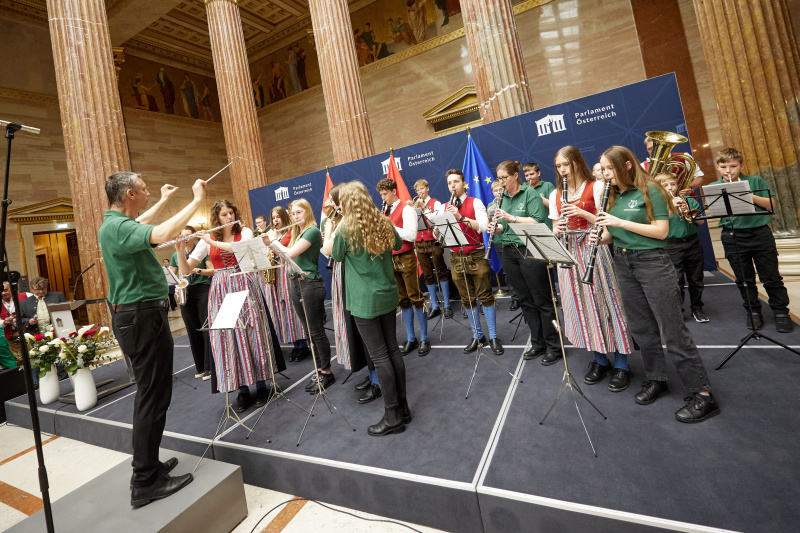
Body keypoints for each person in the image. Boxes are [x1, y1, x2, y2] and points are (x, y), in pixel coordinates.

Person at [593, 145, 719, 423]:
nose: (604, 174)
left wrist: (618, 223)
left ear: (626, 165)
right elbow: (610, 234)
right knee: (642, 328)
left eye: (608, 168)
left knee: (672, 329)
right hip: (623, 263)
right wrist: (600, 236)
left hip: (652, 262)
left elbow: (661, 232)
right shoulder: (611, 194)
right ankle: (656, 378)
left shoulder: (651, 190)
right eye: (602, 169)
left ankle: (703, 395)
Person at [98, 171, 202, 506]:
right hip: (140, 317)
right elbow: (159, 233)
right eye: (143, 190)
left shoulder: (115, 223)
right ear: (129, 193)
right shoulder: (116, 227)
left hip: (141, 316)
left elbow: (142, 222)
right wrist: (197, 200)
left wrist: (163, 200)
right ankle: (144, 480)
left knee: (155, 394)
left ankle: (150, 466)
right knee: (152, 397)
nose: (146, 193)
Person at [178, 200, 284, 412]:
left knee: (253, 333)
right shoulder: (209, 239)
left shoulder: (243, 231)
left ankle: (262, 384)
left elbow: (239, 248)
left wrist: (211, 241)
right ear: (216, 217)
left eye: (231, 213)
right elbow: (186, 269)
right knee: (229, 337)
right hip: (220, 289)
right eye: (224, 214)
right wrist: (180, 249)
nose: (229, 217)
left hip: (243, 283)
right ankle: (242, 389)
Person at [327, 181, 410, 436]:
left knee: (380, 356)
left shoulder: (346, 230)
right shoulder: (383, 221)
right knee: (393, 350)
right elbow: (397, 245)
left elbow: (335, 256)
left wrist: (333, 225)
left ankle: (393, 415)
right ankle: (403, 408)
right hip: (387, 295)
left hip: (365, 302)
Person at [549, 146, 633, 391]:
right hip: (569, 253)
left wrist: (583, 213)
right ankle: (599, 360)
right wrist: (558, 229)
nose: (562, 170)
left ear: (576, 162)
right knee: (580, 308)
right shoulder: (556, 193)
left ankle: (622, 364)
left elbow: (606, 222)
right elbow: (554, 228)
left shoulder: (595, 186)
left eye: (566, 164)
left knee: (607, 304)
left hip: (592, 248)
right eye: (558, 166)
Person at [711, 147, 792, 332]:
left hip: (759, 233)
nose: (728, 171)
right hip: (733, 235)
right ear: (718, 167)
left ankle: (781, 312)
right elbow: (714, 210)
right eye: (723, 167)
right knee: (744, 279)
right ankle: (753, 312)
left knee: (771, 277)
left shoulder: (754, 180)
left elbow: (770, 204)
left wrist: (746, 195)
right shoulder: (715, 187)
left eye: (733, 166)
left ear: (741, 165)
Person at [488, 161, 560, 363]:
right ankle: (537, 343)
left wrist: (510, 218)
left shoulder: (530, 193)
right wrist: (497, 228)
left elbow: (538, 220)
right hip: (508, 251)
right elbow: (504, 227)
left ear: (515, 175)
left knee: (542, 300)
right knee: (525, 300)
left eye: (504, 178)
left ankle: (555, 345)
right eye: (499, 178)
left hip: (530, 249)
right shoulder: (500, 198)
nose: (501, 182)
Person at [270, 199, 334, 394]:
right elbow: (285, 256)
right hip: (295, 283)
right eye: (294, 214)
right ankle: (319, 369)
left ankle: (327, 372)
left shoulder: (312, 231)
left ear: (307, 212)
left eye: (299, 212)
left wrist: (273, 240)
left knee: (316, 331)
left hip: (310, 284)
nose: (295, 216)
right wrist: (271, 244)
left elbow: (289, 253)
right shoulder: (297, 233)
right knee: (308, 332)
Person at [321, 185, 378, 404]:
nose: (330, 205)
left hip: (348, 273)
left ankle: (377, 380)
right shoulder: (340, 220)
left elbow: (329, 251)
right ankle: (372, 375)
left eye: (332, 201)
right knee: (355, 327)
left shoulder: (345, 222)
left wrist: (329, 227)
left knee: (363, 328)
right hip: (341, 273)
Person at [443, 170, 503, 355]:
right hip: (456, 257)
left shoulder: (475, 202)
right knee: (466, 299)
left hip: (476, 255)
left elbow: (484, 226)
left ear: (463, 183)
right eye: (450, 183)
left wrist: (461, 217)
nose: (453, 185)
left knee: (485, 296)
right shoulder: (445, 206)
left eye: (456, 182)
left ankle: (493, 336)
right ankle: (478, 336)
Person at [376, 178, 430, 356]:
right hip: (390, 258)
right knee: (403, 300)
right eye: (381, 195)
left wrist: (389, 226)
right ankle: (411, 338)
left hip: (406, 257)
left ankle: (424, 338)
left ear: (393, 191)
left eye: (385, 194)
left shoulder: (406, 209)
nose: (383, 198)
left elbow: (411, 235)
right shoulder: (385, 210)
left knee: (415, 297)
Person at [653, 172, 709, 323]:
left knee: (696, 278)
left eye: (672, 184)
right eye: (665, 186)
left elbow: (701, 223)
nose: (670, 188)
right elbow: (657, 224)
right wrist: (671, 206)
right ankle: (678, 311)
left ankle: (697, 308)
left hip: (692, 242)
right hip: (671, 244)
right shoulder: (657, 205)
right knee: (676, 280)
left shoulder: (689, 200)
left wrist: (688, 211)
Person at [263, 206, 309, 362]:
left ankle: (303, 344)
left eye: (278, 217)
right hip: (276, 273)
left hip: (287, 271)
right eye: (273, 217)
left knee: (292, 308)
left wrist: (273, 242)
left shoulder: (290, 233)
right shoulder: (274, 234)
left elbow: (286, 252)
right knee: (283, 310)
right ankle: (295, 344)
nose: (276, 220)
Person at [170, 226, 214, 380]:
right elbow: (171, 275)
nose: (185, 238)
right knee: (192, 329)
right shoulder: (176, 255)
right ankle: (200, 367)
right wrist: (175, 284)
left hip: (202, 289)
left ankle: (210, 367)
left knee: (205, 326)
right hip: (185, 291)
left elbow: (212, 270)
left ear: (194, 236)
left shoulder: (201, 249)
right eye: (182, 235)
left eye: (188, 235)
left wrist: (196, 270)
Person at [412, 179, 452, 319]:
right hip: (420, 242)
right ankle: (435, 306)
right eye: (417, 190)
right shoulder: (414, 205)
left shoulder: (436, 203)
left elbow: (436, 221)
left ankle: (447, 305)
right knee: (428, 275)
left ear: (427, 188)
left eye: (422, 189)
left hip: (433, 241)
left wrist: (424, 208)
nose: (419, 192)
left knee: (441, 271)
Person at [488, 180, 518, 311]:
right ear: (492, 192)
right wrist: (489, 217)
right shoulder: (490, 205)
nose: (498, 192)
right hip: (499, 241)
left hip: (512, 238)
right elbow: (489, 223)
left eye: (500, 189)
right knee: (507, 271)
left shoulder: (508, 201)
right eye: (495, 190)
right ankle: (515, 298)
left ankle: (524, 296)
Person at [523, 162, 554, 229]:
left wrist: (536, 195)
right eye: (526, 175)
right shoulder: (524, 188)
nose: (529, 177)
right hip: (530, 228)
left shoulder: (548, 185)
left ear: (538, 173)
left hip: (547, 226)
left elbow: (554, 206)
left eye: (532, 174)